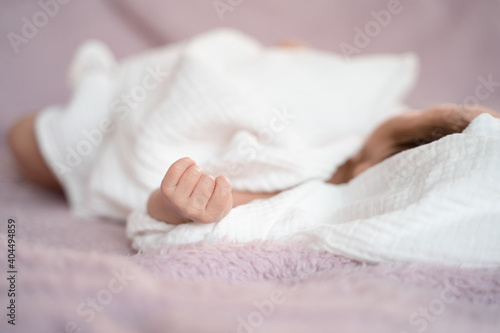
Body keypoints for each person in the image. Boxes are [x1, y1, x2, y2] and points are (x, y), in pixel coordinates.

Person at [8, 102, 499, 225]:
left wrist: (177, 206)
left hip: (131, 138)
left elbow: (224, 205)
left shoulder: (316, 185)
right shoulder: (361, 118)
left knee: (26, 139)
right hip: (157, 90)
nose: (402, 108)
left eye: (410, 117)